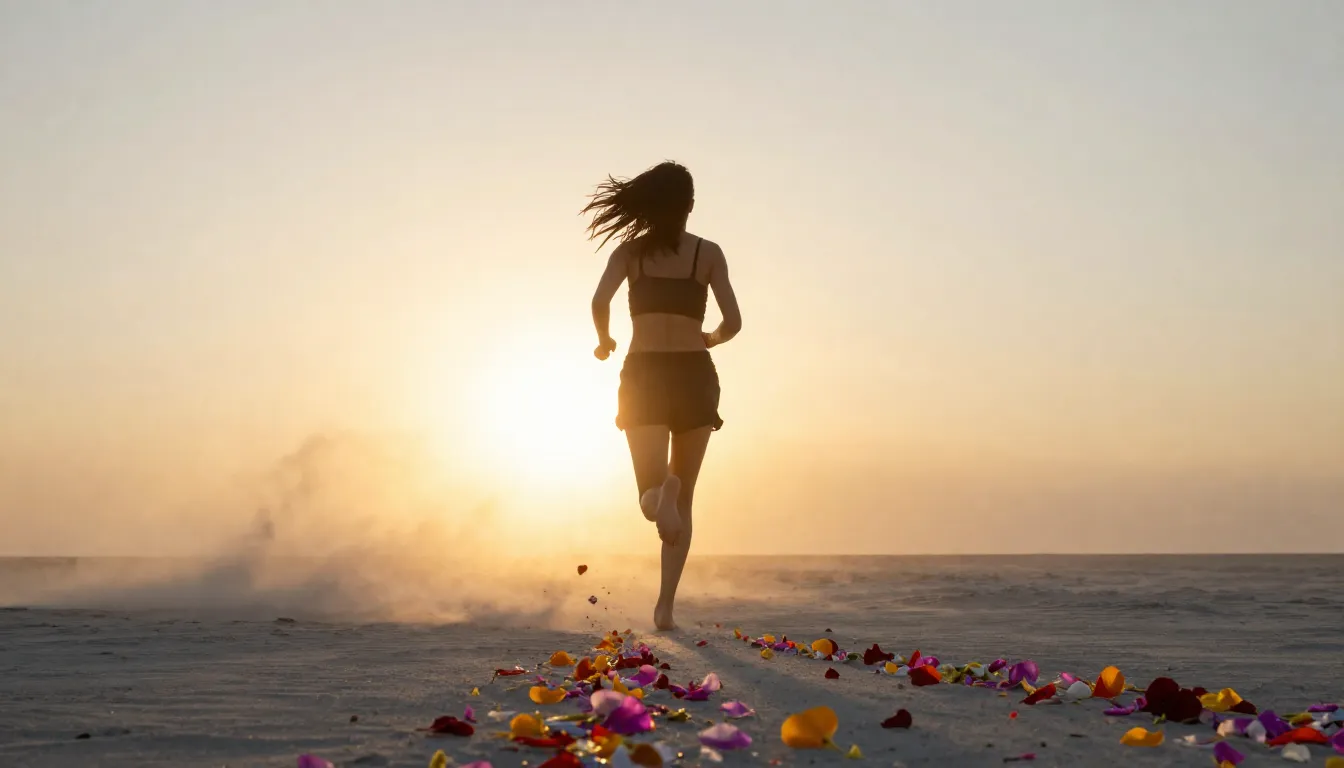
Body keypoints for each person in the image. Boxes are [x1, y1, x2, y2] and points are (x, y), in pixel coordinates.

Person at [585, 161, 742, 631]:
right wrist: (708, 339)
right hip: (695, 373)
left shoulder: (629, 254)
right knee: (685, 500)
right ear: (690, 205)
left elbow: (599, 301)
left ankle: (659, 497)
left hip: (646, 373)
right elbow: (733, 322)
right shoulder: (707, 253)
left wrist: (605, 339)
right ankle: (665, 607)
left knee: (650, 497)